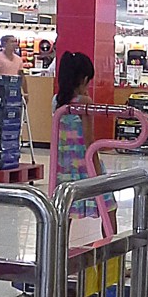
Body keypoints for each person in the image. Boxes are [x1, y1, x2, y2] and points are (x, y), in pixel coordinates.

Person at [53, 51, 117, 232]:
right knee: (109, 208)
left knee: (64, 213)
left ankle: (58, 251)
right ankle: (111, 255)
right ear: (83, 79)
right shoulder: (84, 102)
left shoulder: (56, 102)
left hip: (64, 168)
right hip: (85, 166)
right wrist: (98, 171)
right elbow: (90, 141)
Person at [0, 34, 28, 101]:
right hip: (1, 92)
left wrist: (26, 92)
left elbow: (22, 76)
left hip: (15, 91)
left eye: (15, 41)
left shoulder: (18, 59)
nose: (15, 44)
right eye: (12, 42)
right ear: (5, 43)